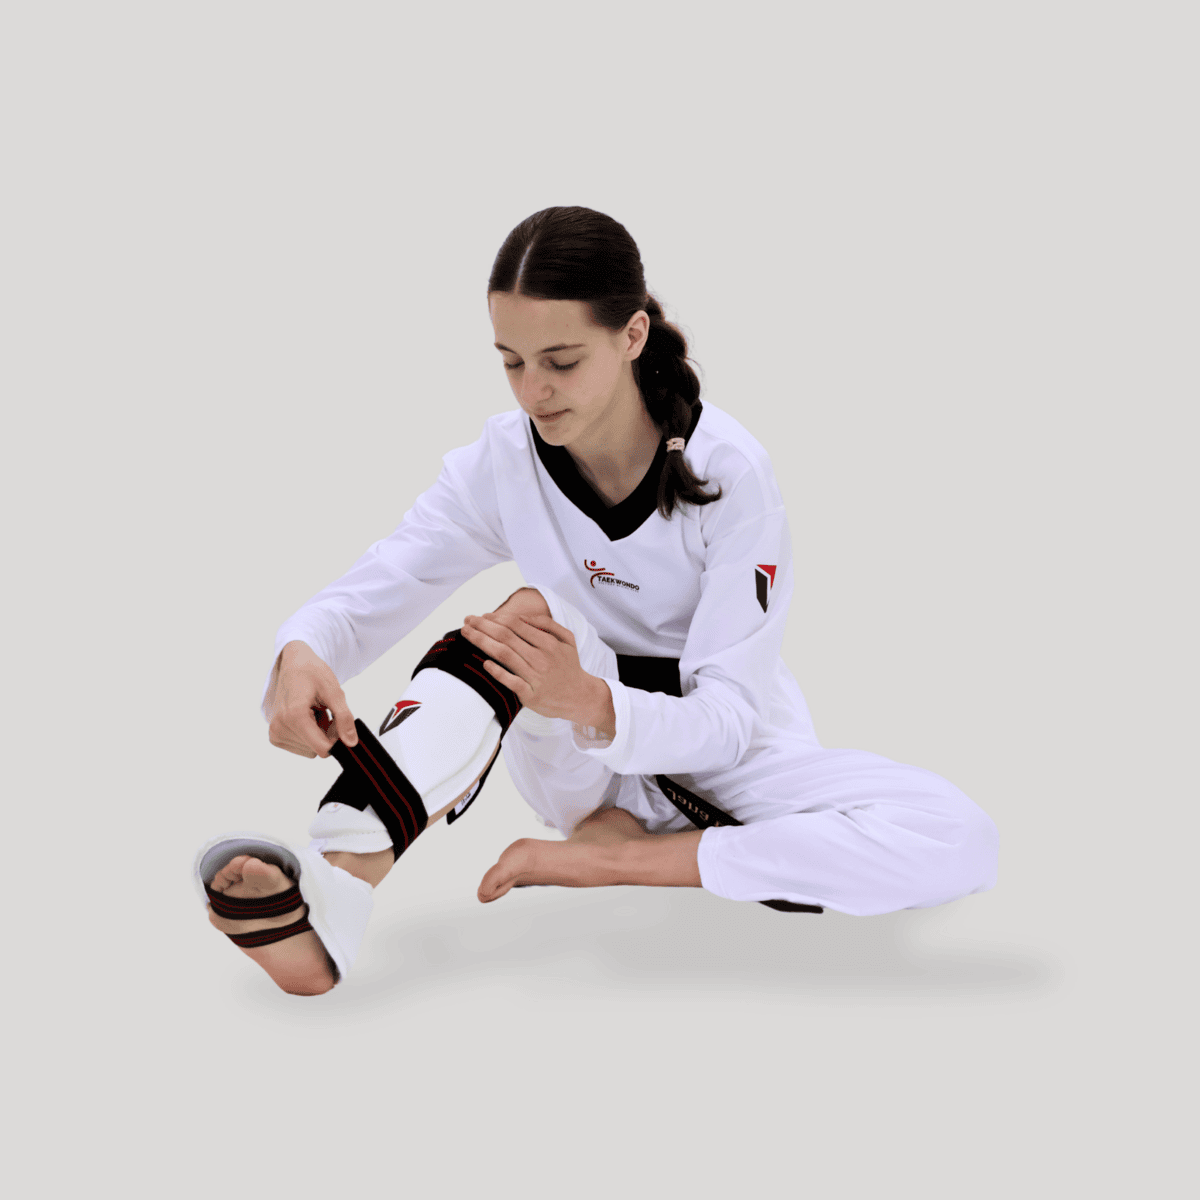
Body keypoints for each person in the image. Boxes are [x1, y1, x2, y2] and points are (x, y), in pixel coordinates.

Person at [195, 206, 998, 996]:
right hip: (579, 766)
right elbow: (387, 579)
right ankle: (334, 893)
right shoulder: (503, 461)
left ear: (632, 335)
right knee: (528, 619)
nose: (534, 391)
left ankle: (623, 856)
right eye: (512, 362)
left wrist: (591, 701)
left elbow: (728, 720)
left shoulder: (731, 473)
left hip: (725, 761)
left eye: (561, 360)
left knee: (960, 837)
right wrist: (304, 649)